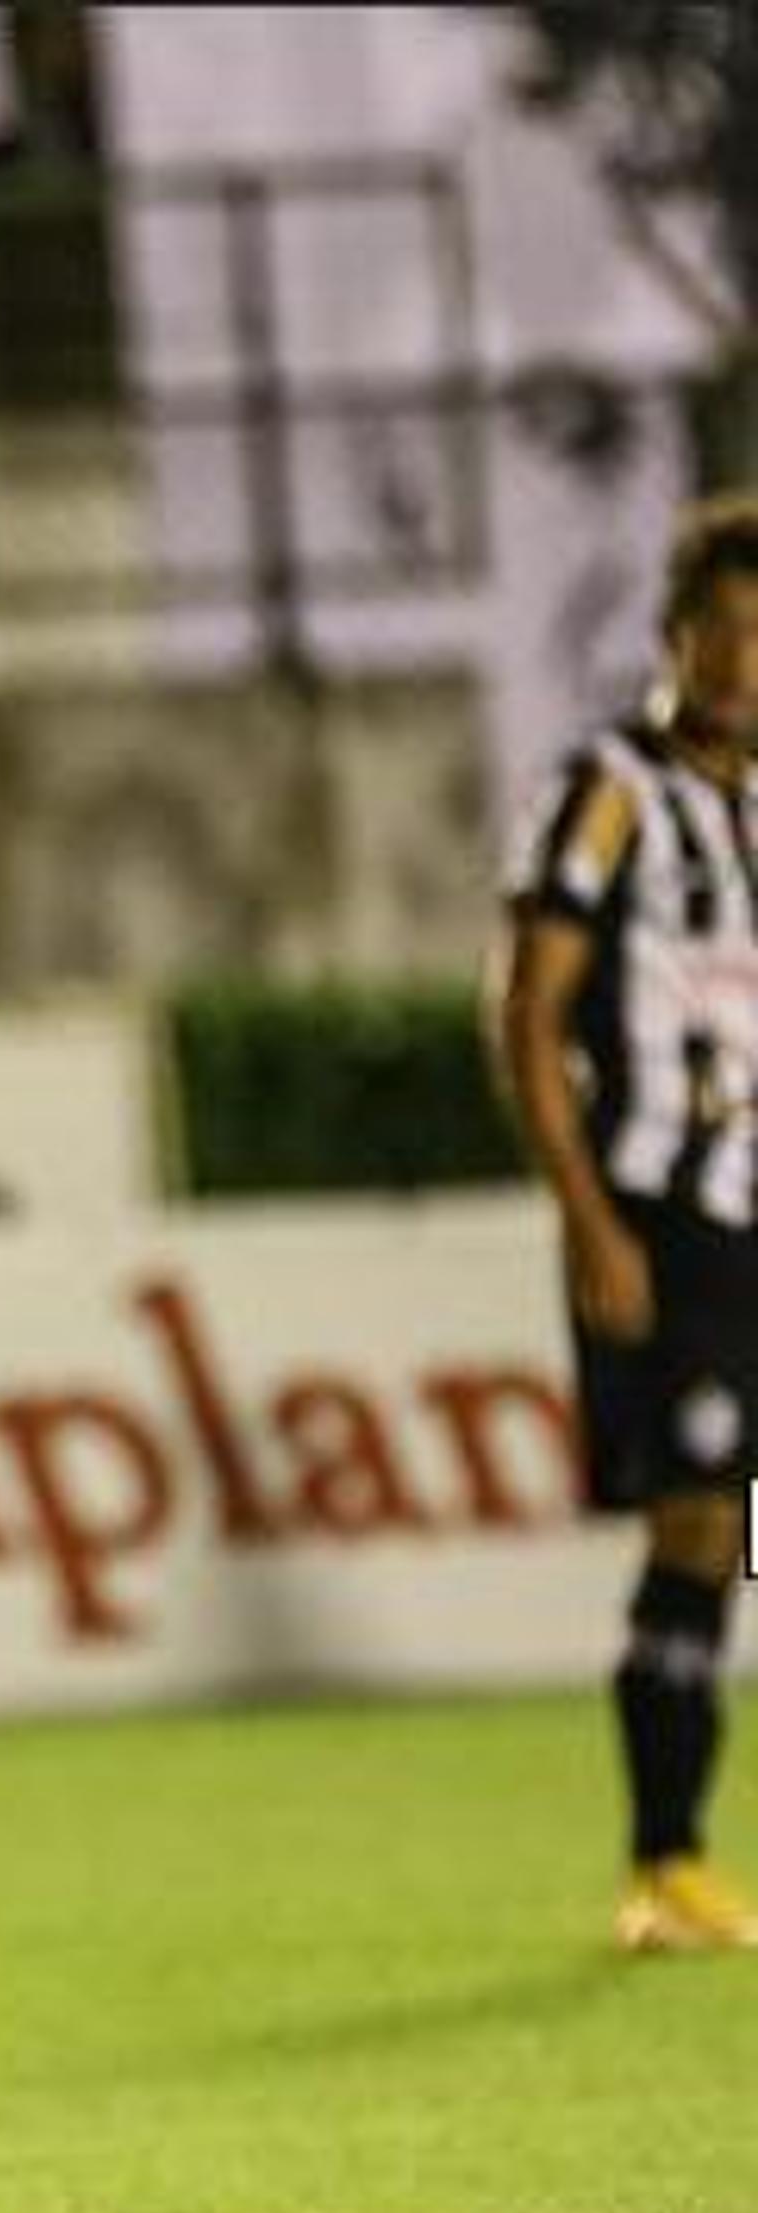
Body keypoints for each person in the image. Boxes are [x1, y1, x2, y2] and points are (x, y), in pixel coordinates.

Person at [495, 490, 758, 1955]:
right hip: (668, 1212)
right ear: (671, 638)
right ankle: (664, 1862)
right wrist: (592, 1219)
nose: (741, 667)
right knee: (699, 1515)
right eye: (720, 636)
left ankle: (678, 1859)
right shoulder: (610, 788)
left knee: (736, 1531)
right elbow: (528, 1015)